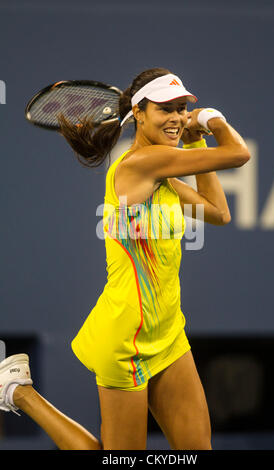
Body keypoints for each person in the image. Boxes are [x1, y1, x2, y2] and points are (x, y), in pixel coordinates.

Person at [0, 68, 250, 450]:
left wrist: (197, 143)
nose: (177, 118)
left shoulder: (162, 174)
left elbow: (218, 212)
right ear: (140, 113)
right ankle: (19, 391)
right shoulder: (139, 165)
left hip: (167, 330)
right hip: (127, 337)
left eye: (182, 108)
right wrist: (212, 119)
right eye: (166, 109)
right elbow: (239, 154)